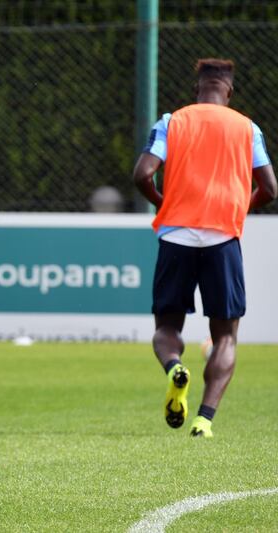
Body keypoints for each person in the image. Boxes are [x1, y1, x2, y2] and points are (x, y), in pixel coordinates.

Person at [133, 58, 277, 438]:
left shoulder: (172, 121)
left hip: (176, 235)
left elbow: (142, 173)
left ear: (197, 90)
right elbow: (271, 189)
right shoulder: (248, 128)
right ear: (228, 91)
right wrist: (237, 205)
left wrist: (164, 203)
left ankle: (175, 368)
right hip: (222, 237)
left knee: (166, 326)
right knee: (226, 335)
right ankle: (204, 419)